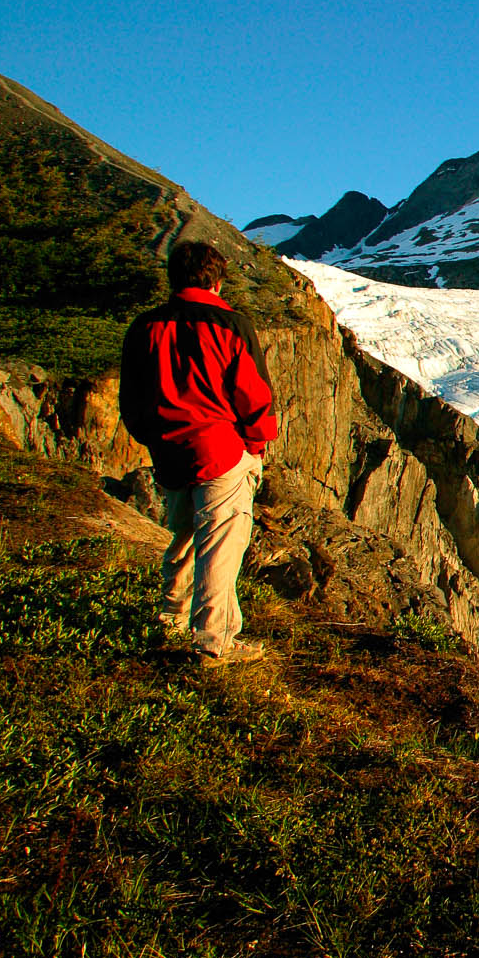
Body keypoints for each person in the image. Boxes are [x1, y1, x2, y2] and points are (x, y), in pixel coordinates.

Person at [119, 240, 280, 663]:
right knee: (220, 545)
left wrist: (154, 437)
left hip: (169, 451)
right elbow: (253, 394)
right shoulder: (229, 324)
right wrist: (257, 442)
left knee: (185, 535)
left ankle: (168, 616)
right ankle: (214, 642)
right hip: (220, 449)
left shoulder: (145, 327)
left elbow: (131, 398)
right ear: (217, 281)